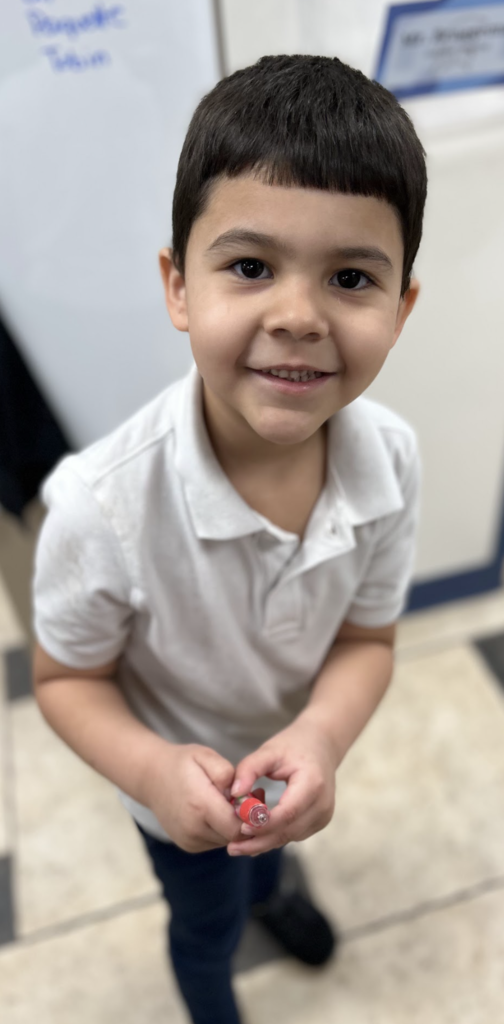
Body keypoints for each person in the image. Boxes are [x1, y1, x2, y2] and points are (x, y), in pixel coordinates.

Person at [32, 53, 427, 1024]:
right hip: (174, 794)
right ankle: (214, 1002)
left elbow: (367, 641)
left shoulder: (393, 461)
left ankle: (278, 892)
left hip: (290, 755)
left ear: (401, 308)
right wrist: (151, 771)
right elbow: (65, 679)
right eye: (250, 267)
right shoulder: (101, 504)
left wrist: (321, 737)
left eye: (350, 276)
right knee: (205, 921)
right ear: (178, 287)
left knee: (276, 853)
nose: (297, 316)